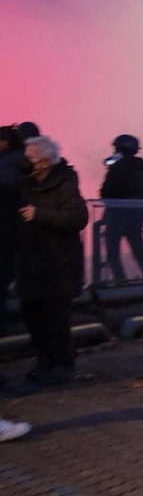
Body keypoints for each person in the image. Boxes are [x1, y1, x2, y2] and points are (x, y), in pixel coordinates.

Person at [16, 135, 89, 384]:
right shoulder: (24, 185)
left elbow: (78, 218)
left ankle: (63, 365)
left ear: (45, 162)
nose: (25, 162)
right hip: (29, 264)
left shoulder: (65, 184)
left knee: (55, 321)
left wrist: (40, 214)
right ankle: (44, 362)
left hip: (58, 266)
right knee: (33, 318)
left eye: (30, 158)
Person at [99, 133, 143, 283]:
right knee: (139, 252)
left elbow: (105, 193)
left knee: (112, 254)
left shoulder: (117, 168)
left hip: (116, 217)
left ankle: (121, 283)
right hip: (135, 218)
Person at [0, 124, 29, 337]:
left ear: (6, 142)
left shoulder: (5, 165)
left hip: (7, 231)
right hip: (24, 230)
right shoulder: (27, 161)